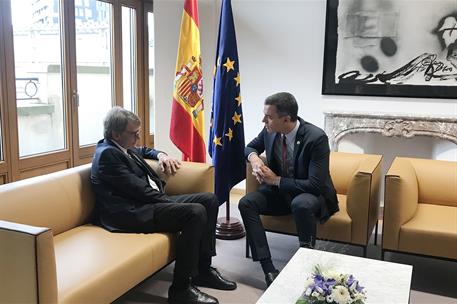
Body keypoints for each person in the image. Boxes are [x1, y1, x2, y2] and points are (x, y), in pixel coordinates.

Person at [90, 107, 236, 304]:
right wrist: (170, 202)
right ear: (116, 133)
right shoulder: (107, 156)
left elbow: (144, 150)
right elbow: (139, 191)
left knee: (209, 199)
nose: (138, 138)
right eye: (134, 134)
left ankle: (203, 270)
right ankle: (180, 289)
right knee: (195, 212)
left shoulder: (122, 147)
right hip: (129, 213)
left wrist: (161, 155)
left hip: (145, 203)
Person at [238, 92, 339, 288]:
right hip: (281, 193)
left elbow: (314, 184)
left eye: (268, 116)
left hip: (310, 195)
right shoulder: (269, 131)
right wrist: (255, 159)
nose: (263, 120)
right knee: (246, 203)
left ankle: (308, 267)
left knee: (300, 204)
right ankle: (268, 269)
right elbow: (249, 148)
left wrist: (275, 180)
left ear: (286, 119)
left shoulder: (316, 138)